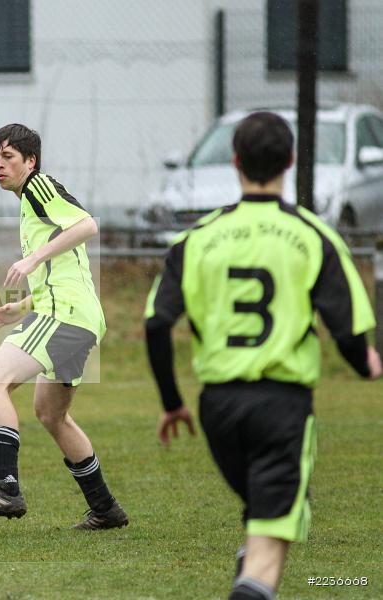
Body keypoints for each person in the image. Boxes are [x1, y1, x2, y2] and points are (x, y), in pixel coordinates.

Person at [144, 111, 381, 600]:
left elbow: (156, 323)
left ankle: (246, 572)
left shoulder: (197, 239)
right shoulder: (312, 236)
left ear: (235, 162)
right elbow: (349, 327)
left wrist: (172, 401)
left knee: (260, 520)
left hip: (218, 410)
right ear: (291, 162)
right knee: (272, 546)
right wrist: (366, 363)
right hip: (282, 408)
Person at [0, 123, 128, 530]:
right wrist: (23, 305)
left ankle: (6, 489)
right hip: (75, 313)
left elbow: (87, 225)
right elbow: (67, 270)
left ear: (30, 161)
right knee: (51, 414)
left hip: (64, 316)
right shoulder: (29, 200)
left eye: (8, 157)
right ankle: (105, 509)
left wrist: (32, 261)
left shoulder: (38, 187)